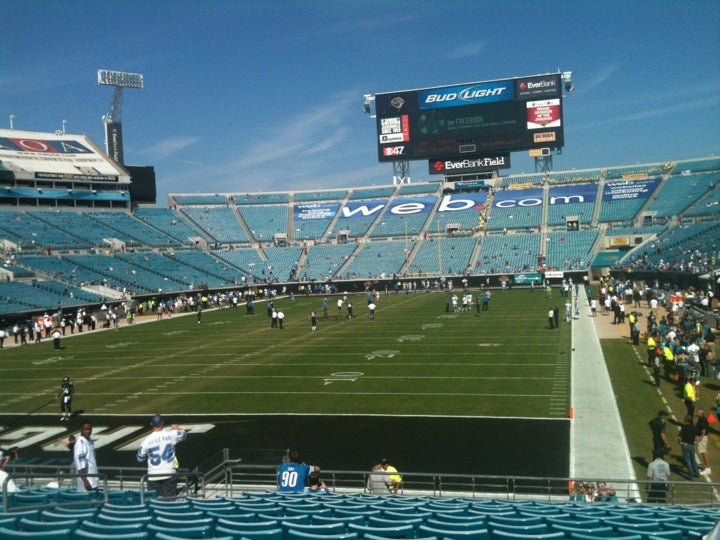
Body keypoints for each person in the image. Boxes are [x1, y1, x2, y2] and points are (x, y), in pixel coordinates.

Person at [136, 414, 187, 498]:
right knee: (171, 500)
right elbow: (184, 435)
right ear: (162, 423)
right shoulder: (171, 434)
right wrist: (177, 428)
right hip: (169, 473)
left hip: (153, 475)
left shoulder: (146, 440)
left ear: (151, 424)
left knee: (154, 501)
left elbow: (140, 458)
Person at [73, 421, 98, 492]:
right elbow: (79, 465)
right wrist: (85, 481)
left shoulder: (89, 441)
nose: (88, 431)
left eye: (90, 429)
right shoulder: (80, 444)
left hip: (93, 480)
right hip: (87, 483)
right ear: (81, 430)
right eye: (85, 429)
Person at [678, 414, 700, 480]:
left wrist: (680, 443)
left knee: (688, 461)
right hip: (692, 445)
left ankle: (691, 476)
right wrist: (696, 441)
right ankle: (697, 473)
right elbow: (700, 433)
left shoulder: (684, 427)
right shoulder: (694, 427)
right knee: (693, 460)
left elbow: (679, 437)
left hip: (685, 445)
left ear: (686, 420)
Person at [695, 408, 711, 474]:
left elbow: (704, 432)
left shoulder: (703, 420)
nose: (696, 413)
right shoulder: (701, 419)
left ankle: (708, 468)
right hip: (702, 438)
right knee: (703, 452)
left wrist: (698, 440)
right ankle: (707, 467)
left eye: (697, 412)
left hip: (702, 438)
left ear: (701, 413)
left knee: (704, 452)